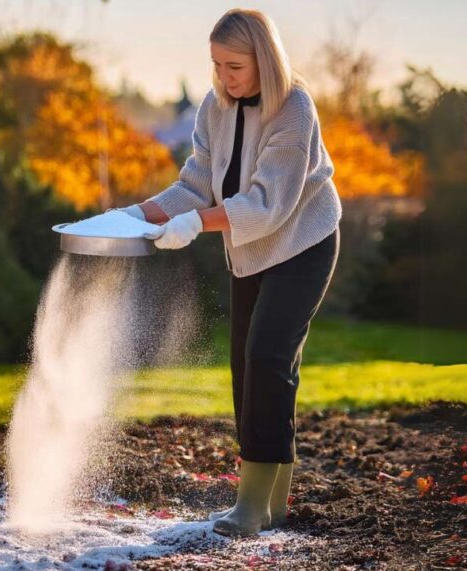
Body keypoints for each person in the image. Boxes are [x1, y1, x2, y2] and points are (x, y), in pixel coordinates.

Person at [119, 8, 342, 537]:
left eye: (234, 65)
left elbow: (266, 204)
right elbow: (195, 185)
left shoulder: (294, 109)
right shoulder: (214, 108)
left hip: (301, 244)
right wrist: (134, 215)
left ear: (264, 59)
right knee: (251, 368)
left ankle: (250, 506)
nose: (224, 77)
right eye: (216, 65)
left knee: (267, 355)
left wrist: (196, 224)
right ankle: (276, 503)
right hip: (250, 251)